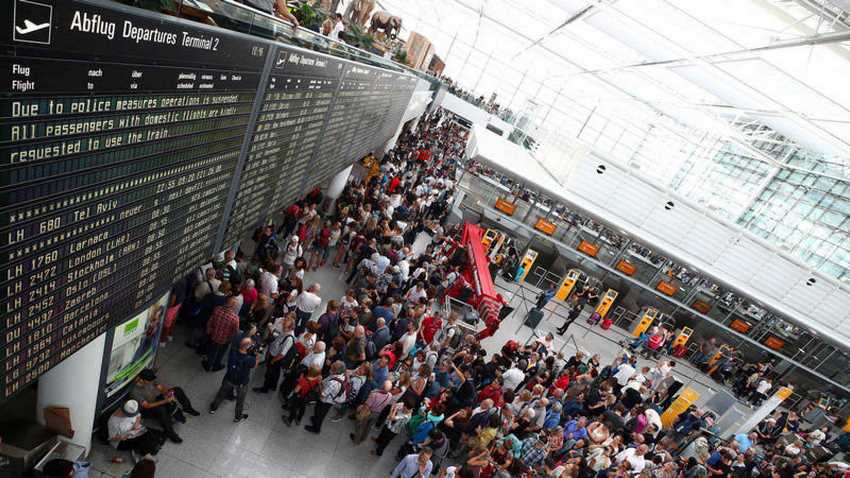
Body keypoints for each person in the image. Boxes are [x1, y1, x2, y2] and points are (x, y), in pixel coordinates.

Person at [130, 369, 200, 444]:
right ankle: (170, 433)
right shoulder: (135, 391)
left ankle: (188, 408)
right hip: (145, 410)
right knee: (161, 410)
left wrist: (168, 393)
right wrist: (166, 401)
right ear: (142, 380)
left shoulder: (150, 380)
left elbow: (160, 387)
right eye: (149, 381)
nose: (151, 382)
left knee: (177, 390)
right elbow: (147, 406)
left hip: (155, 400)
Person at [209, 337, 258, 422]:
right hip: (241, 383)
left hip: (229, 379)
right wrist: (256, 355)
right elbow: (255, 365)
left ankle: (213, 408)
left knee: (221, 394)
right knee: (240, 401)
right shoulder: (250, 359)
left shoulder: (233, 352)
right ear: (248, 347)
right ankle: (237, 417)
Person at [305, 360, 348, 434]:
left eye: (333, 365)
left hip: (325, 401)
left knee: (320, 413)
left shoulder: (333, 383)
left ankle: (316, 428)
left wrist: (319, 383)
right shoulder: (340, 375)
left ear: (335, 370)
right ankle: (315, 419)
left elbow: (322, 394)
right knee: (318, 411)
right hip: (328, 400)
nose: (331, 364)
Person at [203, 295, 240, 371]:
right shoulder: (235, 318)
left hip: (214, 335)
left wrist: (209, 330)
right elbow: (235, 332)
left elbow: (210, 321)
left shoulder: (217, 309)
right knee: (221, 353)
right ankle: (216, 365)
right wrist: (231, 340)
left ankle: (208, 365)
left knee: (212, 350)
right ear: (233, 306)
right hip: (225, 339)